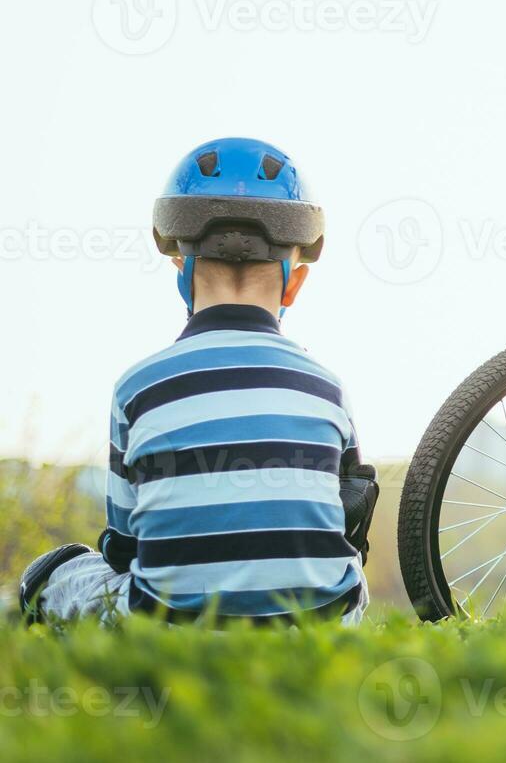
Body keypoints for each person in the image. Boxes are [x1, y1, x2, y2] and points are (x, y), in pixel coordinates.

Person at [18, 138, 376, 625]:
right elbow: (350, 524)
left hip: (164, 627)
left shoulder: (137, 388)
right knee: (350, 569)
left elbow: (125, 547)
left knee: (65, 573)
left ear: (181, 270)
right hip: (315, 626)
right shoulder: (327, 388)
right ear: (295, 282)